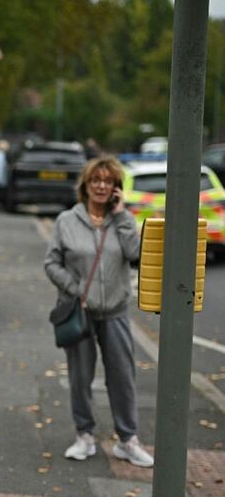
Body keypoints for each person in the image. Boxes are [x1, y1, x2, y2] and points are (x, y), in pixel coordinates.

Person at [44, 157, 152, 468]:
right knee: (81, 377)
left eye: (109, 181)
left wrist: (120, 217)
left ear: (117, 188)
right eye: (96, 180)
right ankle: (85, 435)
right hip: (80, 312)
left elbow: (135, 254)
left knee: (122, 377)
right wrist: (76, 289)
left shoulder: (123, 219)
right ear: (86, 185)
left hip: (115, 311)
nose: (102, 186)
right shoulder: (67, 221)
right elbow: (51, 263)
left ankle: (128, 440)